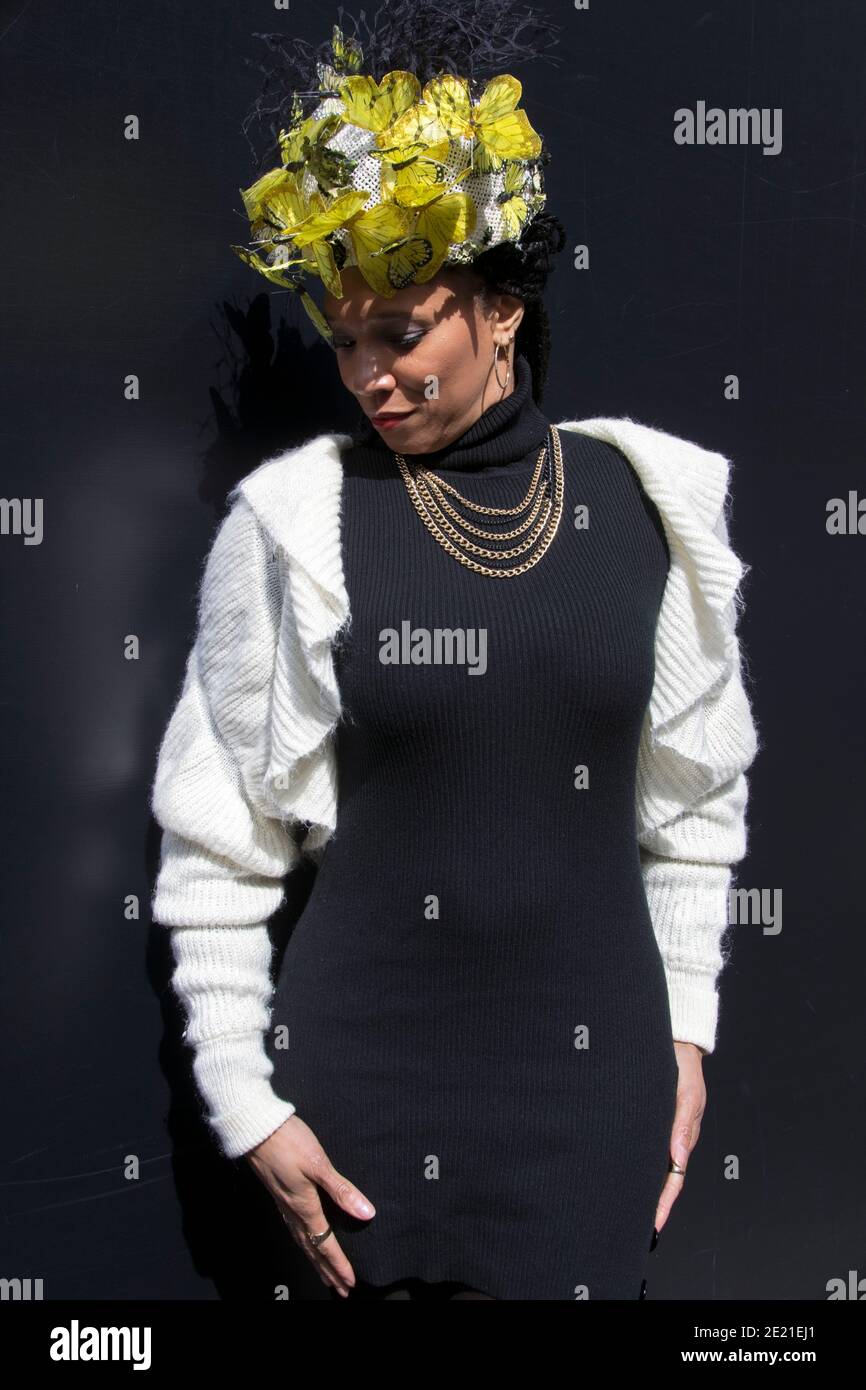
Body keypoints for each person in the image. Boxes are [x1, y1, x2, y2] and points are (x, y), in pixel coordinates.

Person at [150, 2, 760, 1301]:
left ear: (498, 307)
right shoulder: (300, 522)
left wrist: (687, 1030)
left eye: (405, 328)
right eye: (347, 334)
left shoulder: (651, 502)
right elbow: (215, 845)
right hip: (366, 1102)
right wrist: (249, 1103)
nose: (368, 372)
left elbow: (694, 810)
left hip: (591, 1100)